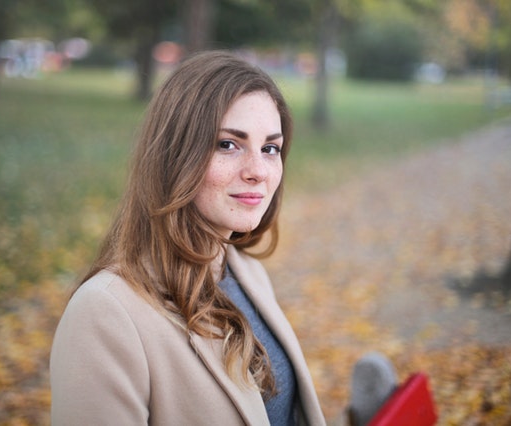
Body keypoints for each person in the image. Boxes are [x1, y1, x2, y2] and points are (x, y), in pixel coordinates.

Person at [49, 50, 326, 425]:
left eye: (270, 148)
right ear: (175, 155)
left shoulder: (245, 271)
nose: (258, 171)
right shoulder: (104, 313)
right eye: (228, 144)